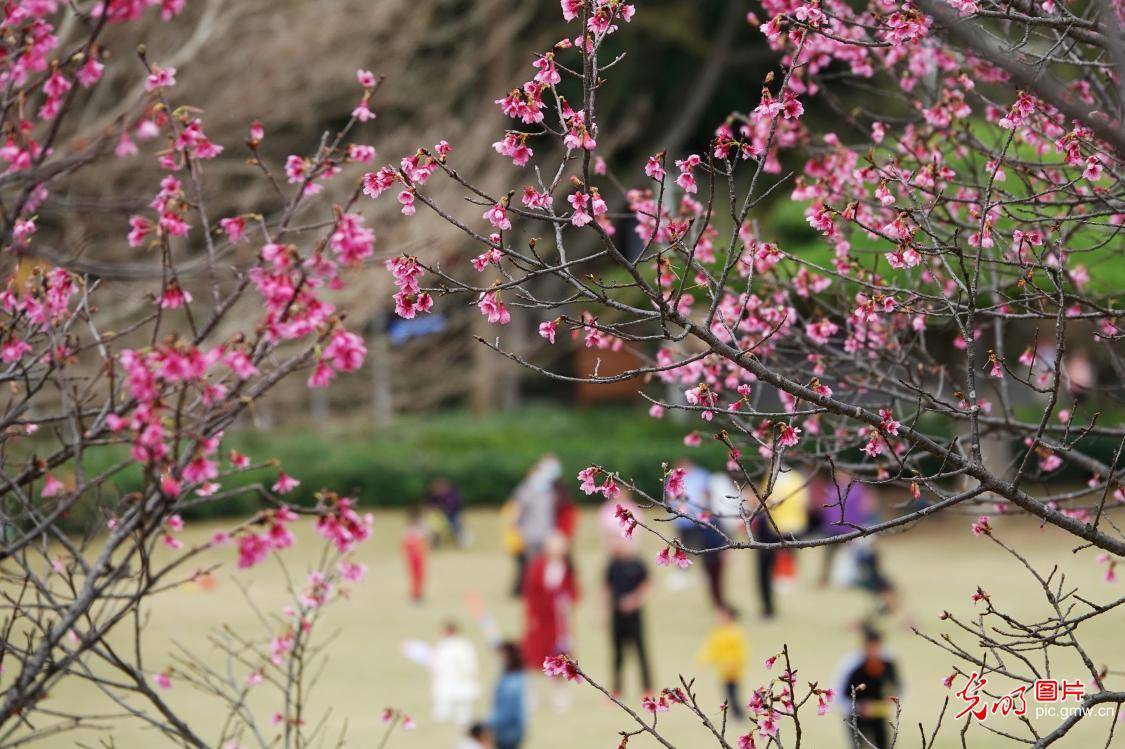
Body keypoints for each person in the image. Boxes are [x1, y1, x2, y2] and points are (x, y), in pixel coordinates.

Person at [521, 532, 580, 710]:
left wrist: (567, 603)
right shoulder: (538, 566)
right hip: (540, 619)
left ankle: (560, 695)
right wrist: (532, 616)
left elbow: (573, 591)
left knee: (560, 657)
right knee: (534, 657)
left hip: (559, 621)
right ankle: (532, 696)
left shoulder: (568, 568)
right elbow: (530, 593)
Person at [750, 466, 810, 618]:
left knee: (772, 567)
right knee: (765, 569)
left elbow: (801, 504)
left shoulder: (794, 479)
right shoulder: (772, 476)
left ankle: (772, 602)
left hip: (786, 528)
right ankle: (768, 607)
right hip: (773, 528)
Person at [837, 627, 901, 749]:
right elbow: (839, 697)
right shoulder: (851, 665)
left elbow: (899, 687)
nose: (874, 651)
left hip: (878, 715)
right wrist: (859, 707)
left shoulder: (887, 663)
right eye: (871, 647)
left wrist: (893, 700)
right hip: (855, 717)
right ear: (863, 646)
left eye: (877, 647)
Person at [604, 538, 653, 697]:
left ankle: (647, 688)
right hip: (616, 617)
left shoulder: (638, 564)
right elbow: (606, 588)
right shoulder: (613, 565)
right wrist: (602, 612)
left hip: (635, 616)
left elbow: (648, 586)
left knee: (641, 653)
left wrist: (634, 600)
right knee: (617, 655)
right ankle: (616, 690)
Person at [511, 455, 562, 593]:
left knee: (546, 564)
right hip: (530, 535)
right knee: (531, 564)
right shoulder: (526, 490)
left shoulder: (549, 491)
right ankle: (530, 589)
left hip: (546, 534)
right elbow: (517, 511)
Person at [696, 605, 747, 718]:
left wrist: (734, 664)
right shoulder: (717, 632)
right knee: (728, 693)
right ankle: (737, 714)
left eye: (722, 616)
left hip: (733, 670)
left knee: (732, 693)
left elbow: (740, 652)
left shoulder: (735, 632)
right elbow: (710, 648)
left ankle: (739, 715)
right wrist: (702, 660)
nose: (718, 619)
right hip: (722, 669)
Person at [430, 621, 480, 726]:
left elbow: (470, 666)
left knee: (462, 714)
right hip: (449, 685)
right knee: (443, 713)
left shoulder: (461, 646)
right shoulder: (445, 645)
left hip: (458, 684)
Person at [490, 642, 526, 749]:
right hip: (514, 728)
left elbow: (506, 712)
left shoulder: (511, 682)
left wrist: (487, 725)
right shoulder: (516, 677)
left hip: (508, 729)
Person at [427, 476, 466, 547]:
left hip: (452, 514)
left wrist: (444, 509)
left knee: (455, 527)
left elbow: (455, 504)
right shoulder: (434, 495)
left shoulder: (451, 494)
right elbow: (431, 505)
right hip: (440, 515)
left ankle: (459, 543)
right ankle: (436, 544)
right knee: (436, 529)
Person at [402, 504, 429, 603]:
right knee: (414, 576)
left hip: (420, 555)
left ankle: (418, 594)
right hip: (413, 556)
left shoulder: (421, 527)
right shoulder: (409, 529)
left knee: (420, 576)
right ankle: (414, 595)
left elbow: (425, 542)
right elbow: (405, 544)